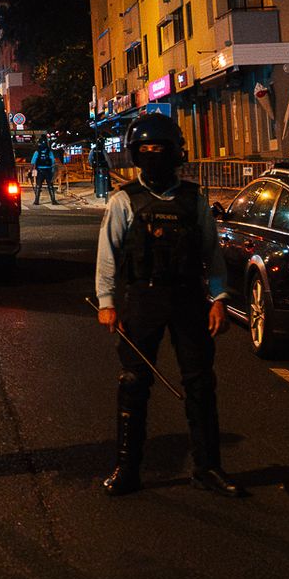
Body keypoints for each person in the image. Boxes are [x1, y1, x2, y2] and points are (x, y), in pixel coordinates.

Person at [94, 112, 243, 498]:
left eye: (162, 150)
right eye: (147, 151)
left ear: (176, 153)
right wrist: (107, 302)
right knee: (132, 384)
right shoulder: (124, 201)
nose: (154, 157)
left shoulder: (194, 199)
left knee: (200, 384)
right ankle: (127, 469)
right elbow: (107, 256)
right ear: (135, 155)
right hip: (142, 299)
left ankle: (208, 467)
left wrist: (219, 299)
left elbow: (212, 253)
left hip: (189, 299)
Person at [31, 140, 58, 205]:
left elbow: (33, 162)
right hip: (48, 170)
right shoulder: (49, 152)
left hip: (40, 170)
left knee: (38, 186)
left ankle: (36, 201)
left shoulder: (37, 152)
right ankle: (53, 200)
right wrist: (53, 170)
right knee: (50, 186)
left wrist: (31, 170)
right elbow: (53, 161)